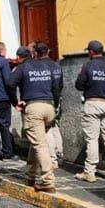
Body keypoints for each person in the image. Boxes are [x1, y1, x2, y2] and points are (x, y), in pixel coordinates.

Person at [8, 40, 62, 193]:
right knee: (36, 141)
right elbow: (56, 88)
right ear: (32, 54)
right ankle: (31, 175)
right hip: (49, 106)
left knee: (39, 145)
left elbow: (10, 84)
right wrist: (55, 106)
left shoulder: (21, 68)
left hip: (34, 107)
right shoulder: (46, 66)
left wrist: (15, 102)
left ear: (19, 58)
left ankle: (47, 180)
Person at [74, 40, 105, 183]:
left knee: (92, 139)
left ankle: (90, 172)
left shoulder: (88, 66)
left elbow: (78, 85)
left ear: (91, 52)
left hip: (93, 104)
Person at [32, 42, 64, 169]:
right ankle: (59, 154)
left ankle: (52, 159)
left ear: (36, 53)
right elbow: (60, 84)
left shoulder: (41, 66)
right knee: (55, 127)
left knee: (47, 130)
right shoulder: (56, 65)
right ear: (48, 51)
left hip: (46, 100)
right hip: (57, 99)